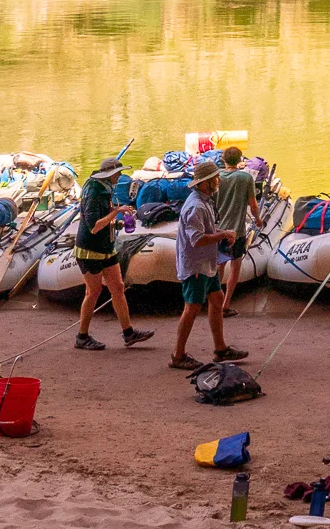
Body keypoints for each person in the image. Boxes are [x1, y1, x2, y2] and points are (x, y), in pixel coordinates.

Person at [69, 155, 152, 351]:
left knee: (118, 287)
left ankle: (128, 332)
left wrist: (118, 220)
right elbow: (94, 226)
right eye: (118, 173)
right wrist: (116, 212)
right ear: (110, 174)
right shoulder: (93, 191)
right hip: (90, 249)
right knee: (93, 292)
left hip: (106, 247)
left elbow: (103, 219)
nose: (121, 176)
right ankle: (82, 336)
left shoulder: (106, 188)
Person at [166, 168, 230, 371]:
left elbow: (205, 231)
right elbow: (197, 239)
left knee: (217, 298)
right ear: (204, 183)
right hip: (196, 266)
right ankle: (178, 355)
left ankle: (220, 348)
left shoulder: (205, 202)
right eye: (214, 179)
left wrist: (221, 233)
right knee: (192, 308)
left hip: (206, 264)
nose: (217, 181)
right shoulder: (196, 206)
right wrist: (222, 235)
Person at [208, 146, 259, 338]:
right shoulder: (246, 178)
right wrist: (259, 219)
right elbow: (253, 205)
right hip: (236, 231)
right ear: (239, 160)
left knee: (219, 267)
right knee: (235, 267)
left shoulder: (217, 177)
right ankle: (226, 304)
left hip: (218, 231)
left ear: (223, 160)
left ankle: (215, 304)